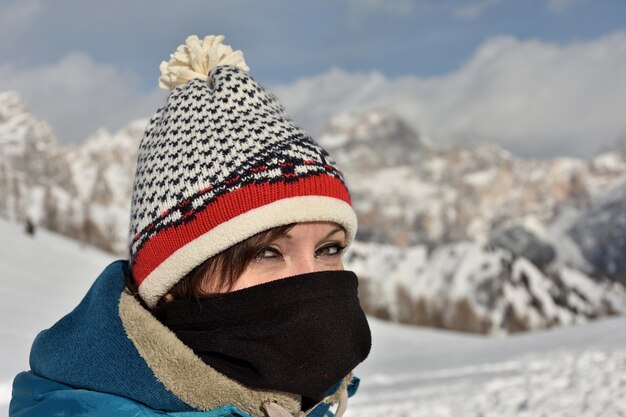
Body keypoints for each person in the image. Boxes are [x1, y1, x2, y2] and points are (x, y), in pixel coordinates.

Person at [9, 35, 371, 417]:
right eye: (268, 251)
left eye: (328, 249)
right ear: (173, 284)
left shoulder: (299, 401)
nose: (310, 278)